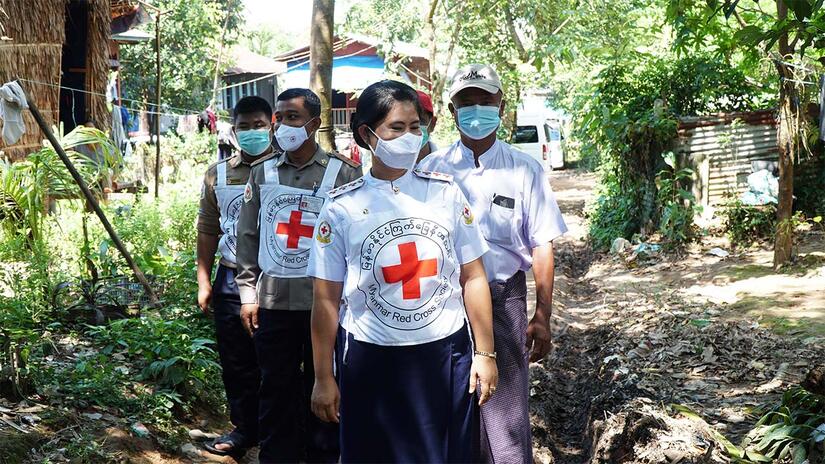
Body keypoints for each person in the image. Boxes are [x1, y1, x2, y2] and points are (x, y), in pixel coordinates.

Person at [307, 79, 498, 463]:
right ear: (367, 134)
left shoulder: (445, 193)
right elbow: (326, 299)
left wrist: (486, 353)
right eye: (397, 127)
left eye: (416, 127)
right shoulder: (341, 208)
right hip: (369, 358)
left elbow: (473, 276)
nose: (410, 137)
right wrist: (323, 376)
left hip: (445, 354)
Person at [417, 64, 568, 463]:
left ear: (502, 106)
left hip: (503, 301)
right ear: (452, 111)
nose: (477, 110)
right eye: (467, 103)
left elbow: (542, 245)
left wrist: (543, 315)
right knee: (452, 405)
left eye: (485, 101)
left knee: (504, 414)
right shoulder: (432, 171)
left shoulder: (524, 169)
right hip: (444, 303)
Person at [234, 88, 362, 463]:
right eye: (280, 118)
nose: (283, 125)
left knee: (325, 387)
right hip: (273, 304)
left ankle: (324, 456)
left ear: (314, 123)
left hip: (325, 307)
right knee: (276, 390)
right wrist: (246, 294)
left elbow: (354, 240)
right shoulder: (262, 171)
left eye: (293, 117)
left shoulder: (343, 173)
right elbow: (248, 235)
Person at [197, 96, 277, 458]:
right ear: (233, 129)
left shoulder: (283, 169)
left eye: (258, 125)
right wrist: (204, 279)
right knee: (237, 360)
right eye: (244, 126)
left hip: (278, 280)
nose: (251, 132)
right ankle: (245, 428)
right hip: (230, 278)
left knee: (278, 359)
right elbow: (208, 228)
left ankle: (284, 430)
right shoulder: (219, 173)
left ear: (272, 124)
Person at [416, 90, 439, 163]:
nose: (411, 130)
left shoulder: (446, 164)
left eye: (420, 121)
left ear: (433, 124)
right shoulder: (386, 166)